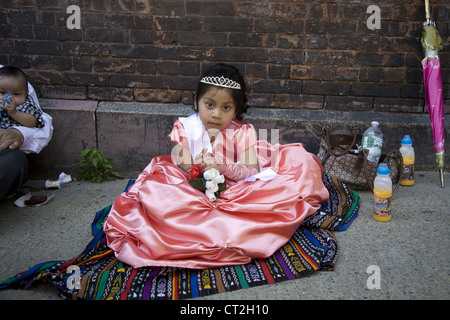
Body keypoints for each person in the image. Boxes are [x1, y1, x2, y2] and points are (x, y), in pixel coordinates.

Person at [103, 63, 330, 269]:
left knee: (273, 195)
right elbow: (181, 167)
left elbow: (251, 171)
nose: (215, 114)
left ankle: (221, 229)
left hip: (235, 182)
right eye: (209, 104)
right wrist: (196, 171)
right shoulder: (186, 127)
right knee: (160, 195)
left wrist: (223, 167)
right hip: (192, 183)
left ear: (235, 110)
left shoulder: (242, 132)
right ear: (197, 102)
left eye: (226, 108)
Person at [0, 64, 53, 200]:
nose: (8, 98)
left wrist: (17, 132)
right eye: (2, 93)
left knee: (14, 161)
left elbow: (40, 123)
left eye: (15, 94)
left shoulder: (11, 79)